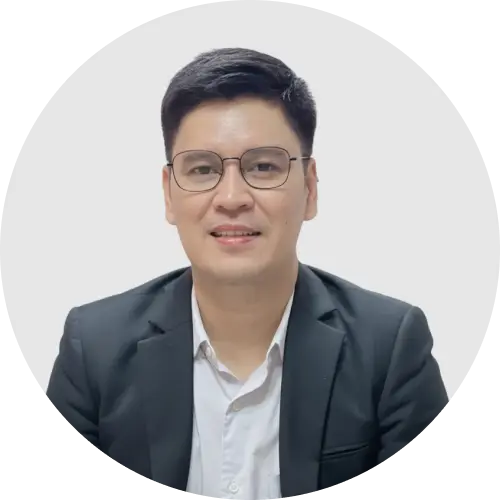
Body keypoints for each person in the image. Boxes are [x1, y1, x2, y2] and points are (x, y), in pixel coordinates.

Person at [46, 47, 449, 497]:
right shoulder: (94, 350)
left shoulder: (390, 349)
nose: (232, 198)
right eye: (202, 169)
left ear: (309, 188)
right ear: (169, 194)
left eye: (263, 166)